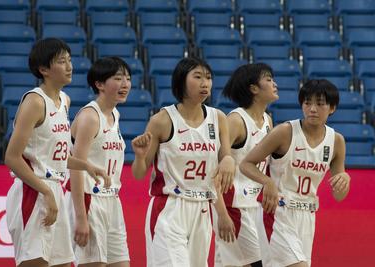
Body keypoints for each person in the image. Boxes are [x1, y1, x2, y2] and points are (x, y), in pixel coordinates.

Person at [5, 38, 109, 267]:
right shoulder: (34, 101)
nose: (70, 66)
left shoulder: (64, 100)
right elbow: (12, 158)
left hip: (54, 189)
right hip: (32, 191)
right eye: (62, 61)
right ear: (44, 69)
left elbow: (54, 156)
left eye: (70, 60)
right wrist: (46, 192)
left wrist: (87, 165)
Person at [131, 57, 235, 267]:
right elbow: (139, 174)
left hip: (202, 209)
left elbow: (225, 157)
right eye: (197, 77)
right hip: (169, 208)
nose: (205, 83)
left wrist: (229, 160)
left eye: (208, 77)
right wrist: (140, 156)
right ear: (181, 81)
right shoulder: (162, 120)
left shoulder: (218, 118)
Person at [240, 79, 351, 267]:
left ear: (332, 108)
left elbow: (339, 195)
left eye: (320, 103)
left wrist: (345, 178)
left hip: (307, 216)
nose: (312, 109)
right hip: (277, 211)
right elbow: (246, 164)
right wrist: (267, 182)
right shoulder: (285, 131)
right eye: (307, 103)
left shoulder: (336, 141)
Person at [65, 57, 131, 267]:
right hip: (89, 199)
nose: (125, 84)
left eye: (128, 79)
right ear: (99, 84)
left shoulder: (116, 114)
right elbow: (76, 167)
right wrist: (81, 218)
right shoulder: (89, 117)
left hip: (112, 201)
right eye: (118, 78)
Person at [213, 63, 279, 267]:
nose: (274, 83)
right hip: (234, 205)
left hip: (255, 206)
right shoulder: (236, 120)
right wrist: (222, 214)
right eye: (268, 79)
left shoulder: (268, 120)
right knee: (260, 262)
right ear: (253, 88)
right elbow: (212, 168)